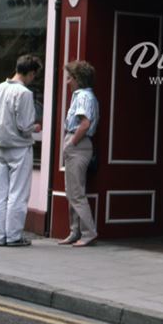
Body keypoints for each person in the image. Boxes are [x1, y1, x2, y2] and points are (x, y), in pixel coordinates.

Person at [0, 54, 43, 247]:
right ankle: (13, 235)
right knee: (18, 193)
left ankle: (0, 235)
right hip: (19, 147)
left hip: (1, 145)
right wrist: (35, 128)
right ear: (30, 73)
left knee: (1, 193)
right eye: (34, 75)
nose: (33, 79)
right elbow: (25, 124)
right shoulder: (24, 93)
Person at [59, 60, 99, 247]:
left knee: (75, 193)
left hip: (78, 143)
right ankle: (75, 231)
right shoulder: (86, 95)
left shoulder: (82, 96)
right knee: (72, 191)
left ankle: (88, 232)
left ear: (77, 79)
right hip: (79, 144)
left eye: (69, 78)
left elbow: (85, 124)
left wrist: (72, 142)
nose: (67, 82)